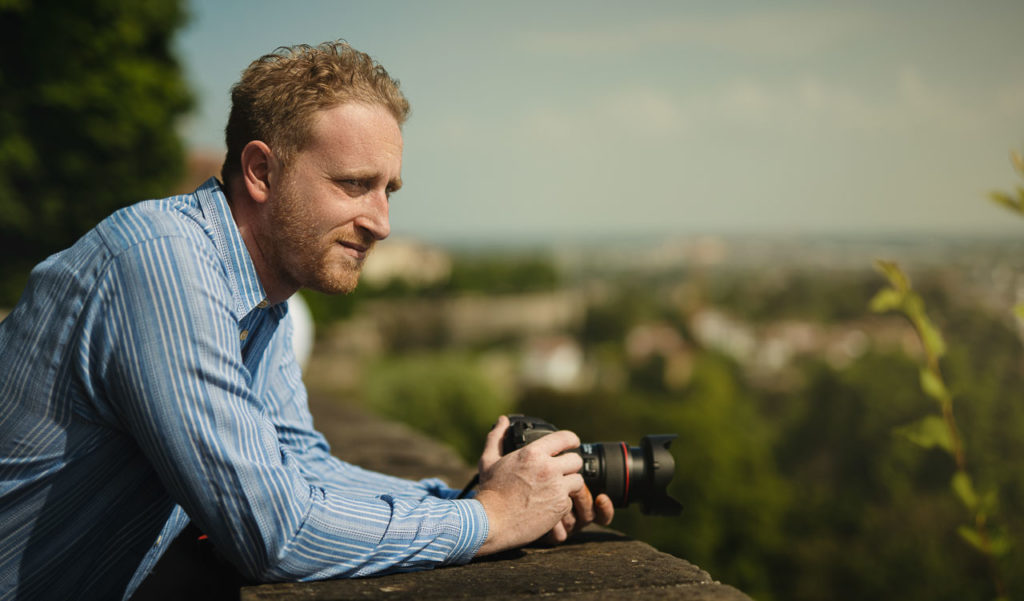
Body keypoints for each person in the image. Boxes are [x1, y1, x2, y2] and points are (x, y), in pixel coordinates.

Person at [0, 41, 614, 601]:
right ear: (261, 172)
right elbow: (272, 534)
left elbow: (301, 471)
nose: (381, 221)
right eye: (354, 185)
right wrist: (492, 520)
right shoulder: (163, 264)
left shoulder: (265, 301)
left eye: (388, 190)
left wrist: (478, 496)